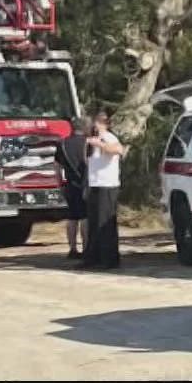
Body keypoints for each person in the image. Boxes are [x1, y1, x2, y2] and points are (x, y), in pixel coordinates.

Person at [82, 110, 126, 270]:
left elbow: (118, 150)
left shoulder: (109, 137)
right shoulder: (89, 142)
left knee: (104, 223)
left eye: (98, 123)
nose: (95, 126)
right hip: (95, 184)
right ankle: (93, 257)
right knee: (93, 222)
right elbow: (87, 161)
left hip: (107, 185)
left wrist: (100, 144)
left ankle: (109, 258)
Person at [55, 116, 89, 261]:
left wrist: (60, 184)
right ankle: (86, 248)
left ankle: (73, 248)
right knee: (85, 218)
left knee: (72, 218)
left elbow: (57, 166)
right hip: (86, 184)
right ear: (85, 127)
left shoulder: (62, 144)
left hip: (69, 184)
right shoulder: (88, 143)